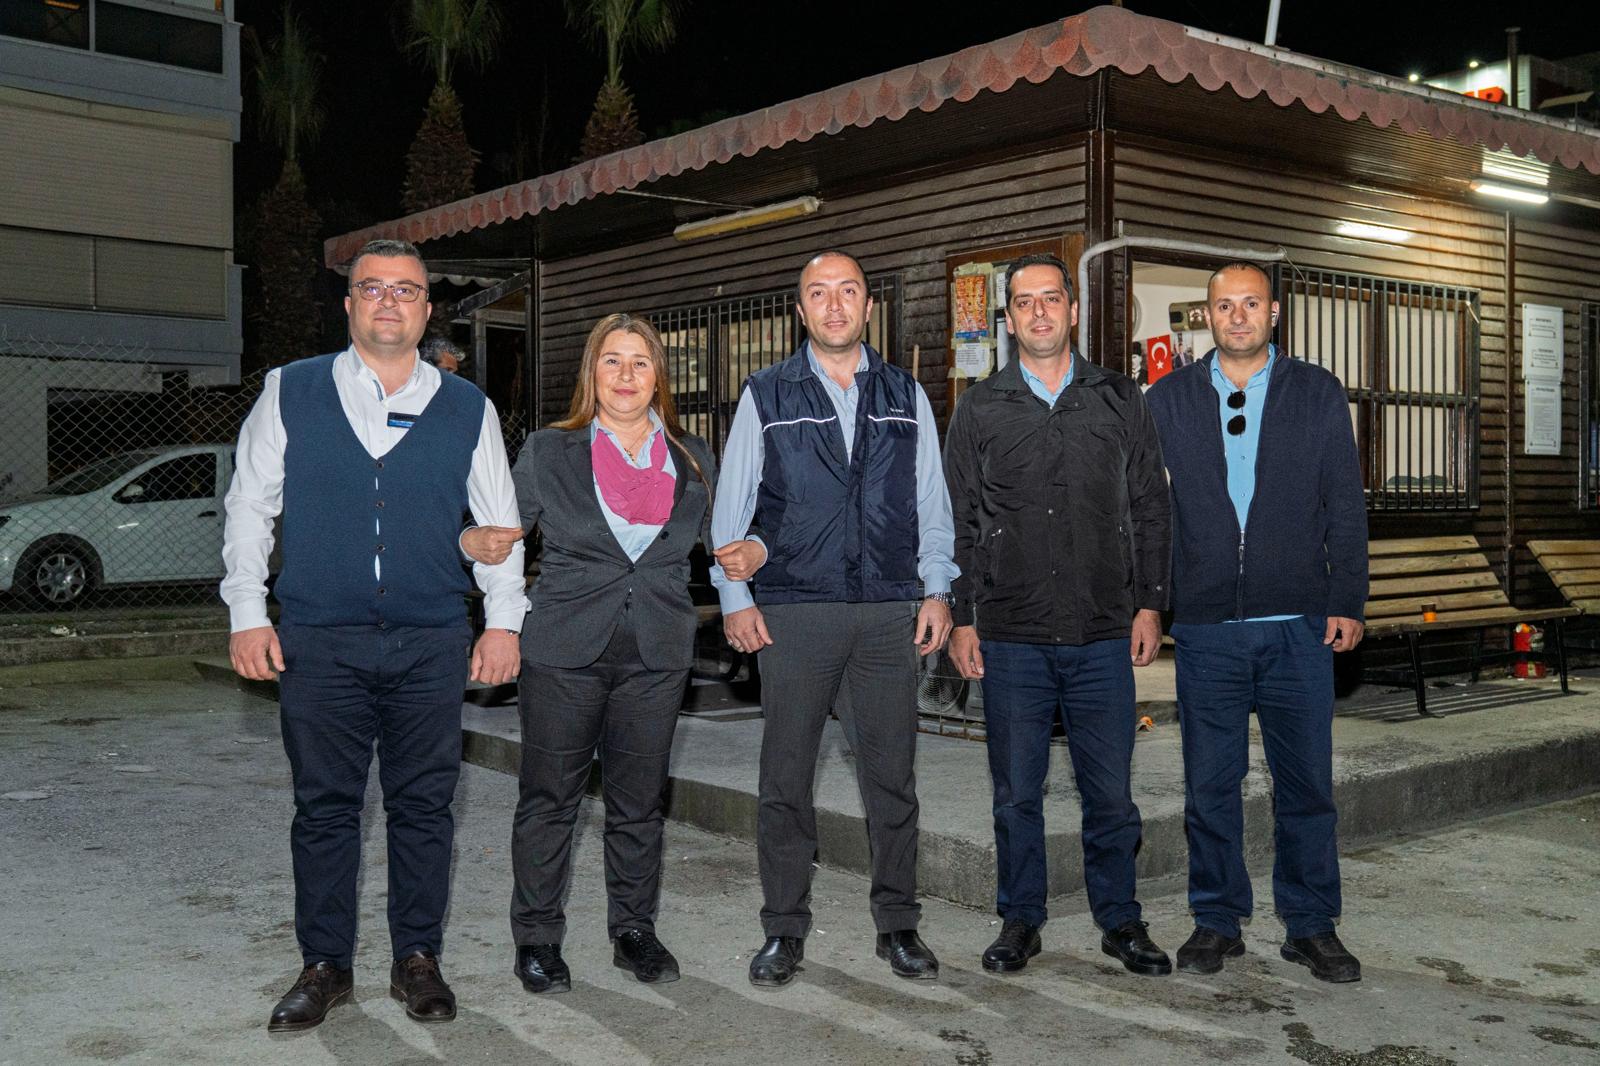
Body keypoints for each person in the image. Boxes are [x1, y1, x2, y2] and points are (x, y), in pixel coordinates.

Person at [222, 238, 528, 1032]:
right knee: (324, 807)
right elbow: (250, 507)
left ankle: (416, 960)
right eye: (373, 288)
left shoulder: (467, 407)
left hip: (431, 638)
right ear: (350, 304)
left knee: (424, 806)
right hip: (320, 638)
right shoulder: (290, 390)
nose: (389, 301)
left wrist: (503, 622)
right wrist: (247, 612)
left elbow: (499, 526)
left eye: (406, 290)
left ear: (426, 310)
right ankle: (324, 966)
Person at [711, 250, 957, 988]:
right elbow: (732, 508)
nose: (835, 304)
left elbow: (931, 503)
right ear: (801, 310)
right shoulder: (766, 393)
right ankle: (783, 930)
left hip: (886, 614)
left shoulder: (906, 394)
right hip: (796, 612)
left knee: (892, 780)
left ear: (868, 306)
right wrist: (735, 599)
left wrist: (937, 589)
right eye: (818, 293)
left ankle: (899, 926)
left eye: (848, 291)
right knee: (786, 780)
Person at [943, 253, 1174, 977]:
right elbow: (958, 519)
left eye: (1051, 298)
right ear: (1008, 320)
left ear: (1073, 311)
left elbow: (1152, 506)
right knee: (1017, 794)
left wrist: (1150, 603)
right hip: (1010, 634)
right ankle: (1021, 918)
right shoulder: (980, 408)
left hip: (1102, 631)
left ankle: (1120, 919)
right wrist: (961, 616)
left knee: (1110, 793)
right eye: (1024, 302)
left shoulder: (1120, 398)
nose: (1038, 312)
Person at [1145, 262, 1368, 983]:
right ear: (1206, 315)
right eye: (1224, 305)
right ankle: (1216, 920)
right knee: (1210, 786)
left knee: (1306, 786)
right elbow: (1149, 512)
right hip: (1207, 627)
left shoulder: (1317, 391)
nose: (1237, 316)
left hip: (1298, 625)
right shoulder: (1168, 398)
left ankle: (1311, 925)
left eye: (1251, 303)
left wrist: (1347, 598)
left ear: (1274, 313)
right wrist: (1150, 600)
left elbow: (1345, 500)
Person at [489, 313, 716, 994]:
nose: (626, 375)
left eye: (640, 362)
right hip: (564, 648)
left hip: (657, 650)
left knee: (639, 803)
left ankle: (634, 931)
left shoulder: (693, 455)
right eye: (612, 360)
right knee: (549, 800)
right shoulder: (549, 450)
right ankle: (537, 939)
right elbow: (500, 536)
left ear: (658, 377)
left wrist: (756, 550)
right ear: (592, 372)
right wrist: (490, 597)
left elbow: (731, 537)